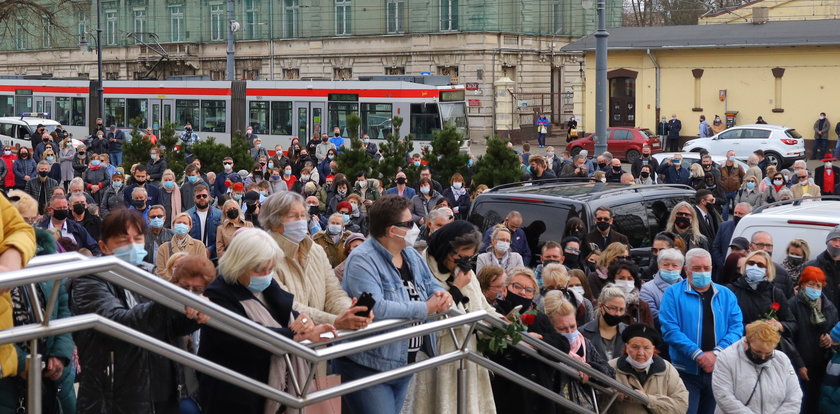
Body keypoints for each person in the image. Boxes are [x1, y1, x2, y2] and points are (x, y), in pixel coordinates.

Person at [70, 208, 206, 413]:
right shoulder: (89, 279)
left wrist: (191, 312)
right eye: (124, 240)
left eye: (138, 238)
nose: (133, 246)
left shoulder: (147, 273)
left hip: (162, 389)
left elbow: (169, 326)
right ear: (104, 247)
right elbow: (117, 324)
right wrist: (172, 301)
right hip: (117, 394)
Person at [197, 228, 335, 414]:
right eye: (260, 269)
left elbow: (286, 312)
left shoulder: (267, 283)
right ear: (239, 264)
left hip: (275, 393)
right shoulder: (218, 294)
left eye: (270, 268)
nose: (266, 274)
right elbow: (246, 338)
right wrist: (298, 334)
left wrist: (304, 322)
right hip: (235, 396)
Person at [338, 194, 452, 414]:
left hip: (403, 361)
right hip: (370, 365)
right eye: (409, 223)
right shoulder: (363, 260)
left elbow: (429, 284)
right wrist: (425, 308)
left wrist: (441, 295)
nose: (415, 226)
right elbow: (376, 308)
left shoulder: (410, 254)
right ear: (393, 230)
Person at [412, 220, 499, 414]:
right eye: (460, 258)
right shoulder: (422, 271)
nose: (464, 264)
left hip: (470, 353)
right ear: (445, 250)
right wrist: (457, 287)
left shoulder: (466, 272)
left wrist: (507, 325)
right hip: (441, 358)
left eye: (470, 258)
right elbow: (430, 322)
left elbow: (482, 307)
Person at [260, 192, 371, 330]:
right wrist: (335, 321)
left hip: (321, 342)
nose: (301, 221)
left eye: (302, 215)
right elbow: (287, 305)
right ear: (273, 222)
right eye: (293, 216)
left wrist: (350, 313)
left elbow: (333, 293)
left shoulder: (316, 251)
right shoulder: (263, 255)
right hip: (287, 343)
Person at [659, 248, 743, 414]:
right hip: (685, 372)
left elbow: (736, 328)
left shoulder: (726, 294)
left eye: (706, 268)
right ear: (686, 270)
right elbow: (670, 329)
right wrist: (697, 354)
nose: (702, 272)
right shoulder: (673, 294)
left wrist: (716, 353)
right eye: (697, 268)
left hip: (718, 371)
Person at [711, 320, 802, 413]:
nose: (763, 357)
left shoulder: (783, 360)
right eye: (757, 352)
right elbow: (724, 396)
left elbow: (794, 397)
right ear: (746, 342)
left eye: (768, 353)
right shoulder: (725, 358)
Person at [786, 266, 839, 411]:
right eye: (811, 284)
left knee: (816, 403)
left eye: (818, 285)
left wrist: (830, 340)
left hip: (822, 365)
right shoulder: (792, 305)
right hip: (799, 365)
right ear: (802, 284)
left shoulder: (829, 307)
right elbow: (787, 338)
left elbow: (835, 330)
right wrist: (799, 364)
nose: (814, 288)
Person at [609, 324, 690, 414]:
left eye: (646, 348)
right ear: (626, 347)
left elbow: (681, 406)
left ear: (653, 349)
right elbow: (597, 401)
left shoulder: (668, 370)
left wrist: (647, 399)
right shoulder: (611, 367)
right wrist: (613, 394)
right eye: (635, 347)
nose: (640, 353)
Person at [580, 284, 628, 361]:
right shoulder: (582, 333)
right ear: (600, 306)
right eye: (613, 308)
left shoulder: (629, 333)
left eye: (621, 309)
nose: (618, 313)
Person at [640, 248, 685, 322]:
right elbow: (652, 315)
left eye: (674, 265)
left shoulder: (688, 288)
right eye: (666, 265)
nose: (670, 268)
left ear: (681, 268)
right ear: (659, 266)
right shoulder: (647, 289)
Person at [155, 213, 207, 277]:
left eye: (185, 223)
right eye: (179, 222)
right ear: (173, 225)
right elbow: (160, 272)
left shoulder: (199, 245)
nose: (181, 225)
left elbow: (202, 268)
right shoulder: (163, 248)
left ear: (190, 227)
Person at [185, 184, 222, 259]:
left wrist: (210, 249)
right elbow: (184, 236)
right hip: (193, 256)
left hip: (214, 257)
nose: (201, 198)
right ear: (194, 199)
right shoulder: (187, 215)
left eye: (204, 196)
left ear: (209, 197)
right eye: (198, 196)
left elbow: (222, 237)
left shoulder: (219, 214)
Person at [711, 202, 751, 270]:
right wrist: (722, 263)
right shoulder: (724, 226)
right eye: (735, 212)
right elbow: (715, 247)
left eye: (740, 213)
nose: (737, 215)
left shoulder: (752, 227)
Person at [719, 150, 745, 220]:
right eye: (731, 154)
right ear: (727, 156)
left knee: (736, 207)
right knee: (725, 208)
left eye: (734, 155)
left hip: (735, 191)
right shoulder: (721, 167)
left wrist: (740, 186)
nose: (732, 156)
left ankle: (735, 221)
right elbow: (719, 178)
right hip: (725, 191)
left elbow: (743, 177)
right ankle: (724, 222)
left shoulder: (738, 166)